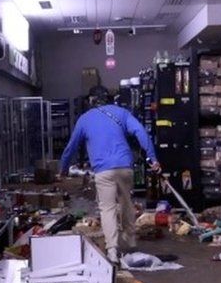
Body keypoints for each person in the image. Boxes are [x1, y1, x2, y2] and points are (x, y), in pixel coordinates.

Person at [60, 87, 160, 264]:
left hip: (103, 170)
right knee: (126, 202)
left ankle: (112, 250)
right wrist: (152, 158)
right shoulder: (122, 113)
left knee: (107, 208)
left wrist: (63, 168)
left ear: (91, 100)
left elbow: (71, 147)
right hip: (125, 167)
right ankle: (129, 241)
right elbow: (141, 132)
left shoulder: (85, 119)